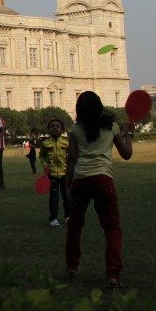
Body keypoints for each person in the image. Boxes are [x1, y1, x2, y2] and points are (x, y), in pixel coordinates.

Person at [64, 91, 134, 288]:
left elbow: (72, 159)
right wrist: (129, 134)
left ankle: (72, 266)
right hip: (104, 181)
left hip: (81, 181)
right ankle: (113, 273)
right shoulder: (111, 126)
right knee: (112, 228)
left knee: (75, 226)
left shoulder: (75, 130)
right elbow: (127, 154)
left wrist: (67, 186)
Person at [38, 118, 71, 227]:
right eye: (52, 126)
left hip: (65, 175)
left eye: (58, 126)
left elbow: (71, 157)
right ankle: (53, 219)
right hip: (52, 175)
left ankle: (68, 217)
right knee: (54, 198)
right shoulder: (46, 143)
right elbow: (42, 156)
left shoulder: (66, 143)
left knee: (67, 197)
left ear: (62, 129)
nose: (55, 128)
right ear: (49, 129)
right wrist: (45, 165)